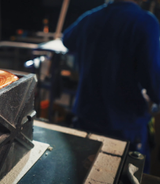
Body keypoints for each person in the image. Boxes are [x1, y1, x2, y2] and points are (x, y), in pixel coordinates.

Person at [62, 0, 160, 173]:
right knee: (127, 175)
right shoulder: (145, 21)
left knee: (85, 173)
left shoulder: (90, 17)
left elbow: (67, 40)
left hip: (86, 118)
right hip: (125, 124)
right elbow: (153, 80)